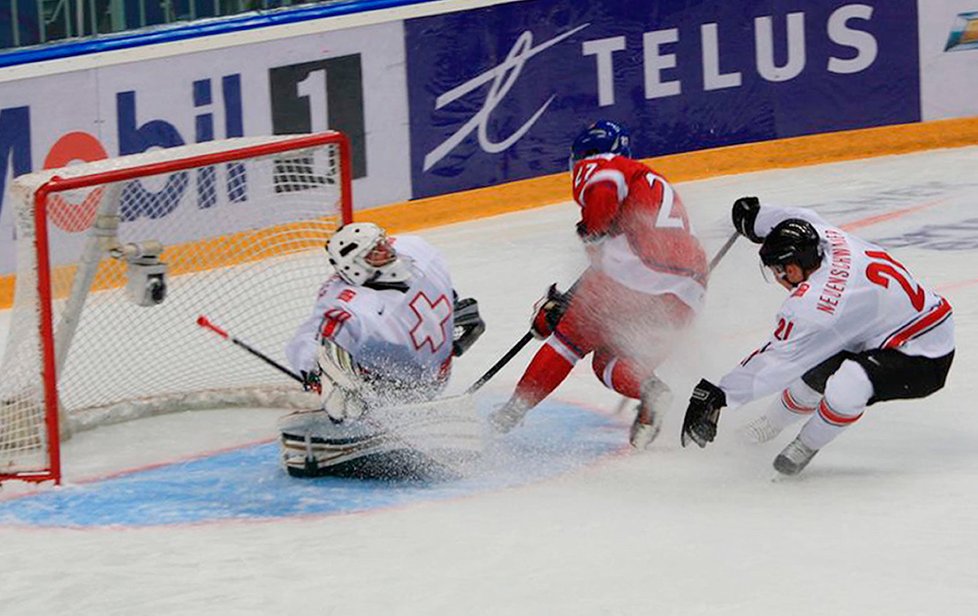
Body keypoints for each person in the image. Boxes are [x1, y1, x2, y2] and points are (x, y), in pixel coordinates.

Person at [681, 197, 955, 475]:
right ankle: (770, 424)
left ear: (792, 269)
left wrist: (721, 393)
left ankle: (806, 444)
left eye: (777, 270)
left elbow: (779, 359)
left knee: (849, 384)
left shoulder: (818, 303)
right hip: (875, 326)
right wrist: (757, 219)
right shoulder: (823, 237)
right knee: (814, 376)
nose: (777, 278)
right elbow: (796, 216)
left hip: (924, 353)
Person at [489, 120, 709, 448]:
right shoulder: (652, 181)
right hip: (689, 289)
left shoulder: (602, 164)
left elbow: (605, 187)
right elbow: (618, 266)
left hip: (642, 272)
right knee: (609, 361)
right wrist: (567, 302)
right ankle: (649, 389)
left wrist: (592, 234)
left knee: (569, 340)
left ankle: (511, 412)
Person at [281, 222, 485, 476]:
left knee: (336, 360)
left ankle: (351, 413)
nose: (387, 250)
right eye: (374, 252)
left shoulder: (415, 251)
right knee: (332, 356)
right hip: (406, 382)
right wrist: (314, 370)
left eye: (383, 242)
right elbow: (310, 339)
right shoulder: (351, 303)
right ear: (355, 267)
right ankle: (350, 399)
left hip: (421, 380)